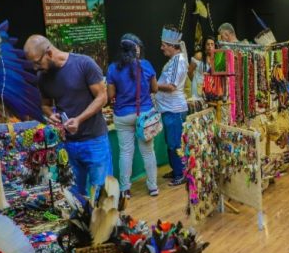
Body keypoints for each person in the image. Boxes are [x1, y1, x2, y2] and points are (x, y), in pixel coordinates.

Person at [25, 34, 111, 197]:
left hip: (95, 141)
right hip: (67, 145)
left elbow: (102, 97)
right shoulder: (42, 77)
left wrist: (79, 119)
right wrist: (51, 115)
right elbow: (45, 105)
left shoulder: (84, 64)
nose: (36, 68)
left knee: (101, 194)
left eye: (37, 62)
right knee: (73, 195)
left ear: (49, 53)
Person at [107, 33, 159, 199]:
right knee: (148, 152)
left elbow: (110, 95)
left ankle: (125, 189)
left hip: (122, 115)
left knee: (125, 152)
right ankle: (153, 187)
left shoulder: (113, 68)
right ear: (136, 49)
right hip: (144, 115)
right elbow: (155, 89)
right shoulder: (146, 65)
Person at [157, 25, 189, 186]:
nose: (161, 48)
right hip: (169, 109)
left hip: (174, 109)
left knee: (175, 143)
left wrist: (153, 85)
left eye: (164, 45)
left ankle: (180, 173)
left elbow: (171, 86)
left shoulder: (178, 61)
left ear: (172, 46)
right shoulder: (175, 60)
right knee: (171, 142)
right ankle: (176, 169)